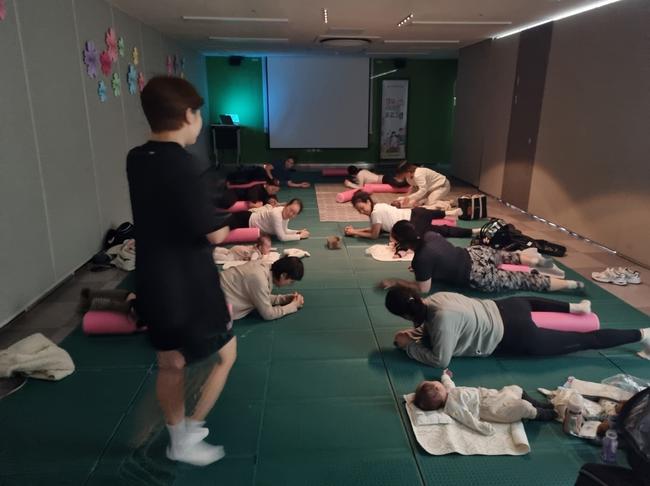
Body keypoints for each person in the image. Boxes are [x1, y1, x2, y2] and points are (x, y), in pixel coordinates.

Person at [127, 76, 235, 466]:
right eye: (199, 114)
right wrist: (226, 221)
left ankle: (178, 438)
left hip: (152, 279)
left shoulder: (137, 158)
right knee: (226, 355)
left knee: (170, 362)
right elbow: (213, 234)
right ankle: (190, 429)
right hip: (188, 285)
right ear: (189, 115)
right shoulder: (186, 166)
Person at [386, 287, 650, 368]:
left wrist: (410, 347)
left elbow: (440, 360)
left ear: (405, 314)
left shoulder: (442, 320)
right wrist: (415, 334)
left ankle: (644, 335)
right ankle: (576, 308)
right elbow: (433, 324)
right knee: (528, 300)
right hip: (507, 307)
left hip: (515, 335)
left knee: (585, 340)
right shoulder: (437, 297)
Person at [380, 220, 578, 294]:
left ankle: (571, 285)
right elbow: (440, 256)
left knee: (523, 280)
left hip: (476, 274)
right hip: (477, 253)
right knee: (512, 257)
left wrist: (397, 281)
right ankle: (539, 261)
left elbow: (423, 289)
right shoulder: (430, 235)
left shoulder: (421, 260)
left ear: (402, 242)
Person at [413, 369, 557, 434]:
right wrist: (483, 427)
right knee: (522, 407)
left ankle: (540, 404)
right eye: (437, 383)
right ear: (438, 390)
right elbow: (467, 419)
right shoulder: (452, 407)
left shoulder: (449, 391)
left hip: (491, 396)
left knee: (515, 389)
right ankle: (544, 414)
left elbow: (449, 384)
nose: (439, 383)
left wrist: (445, 376)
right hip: (490, 409)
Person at [344, 191, 467, 240]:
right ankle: (449, 213)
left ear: (367, 202)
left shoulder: (375, 213)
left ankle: (471, 231)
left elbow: (374, 235)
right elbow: (376, 229)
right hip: (415, 212)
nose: (362, 212)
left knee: (442, 230)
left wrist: (355, 232)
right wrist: (356, 230)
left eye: (362, 208)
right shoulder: (378, 206)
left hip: (412, 224)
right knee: (432, 214)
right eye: (359, 211)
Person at [219, 256, 305, 320]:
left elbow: (260, 297)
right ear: (283, 275)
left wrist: (284, 299)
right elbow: (268, 314)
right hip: (215, 306)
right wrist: (293, 306)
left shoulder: (263, 266)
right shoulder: (259, 279)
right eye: (291, 281)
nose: (290, 284)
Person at [224, 198, 309, 241]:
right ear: (286, 205)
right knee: (220, 227)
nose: (290, 214)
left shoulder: (286, 216)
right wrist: (300, 236)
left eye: (294, 213)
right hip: (244, 219)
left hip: (247, 222)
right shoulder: (276, 214)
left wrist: (297, 232)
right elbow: (282, 237)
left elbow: (284, 230)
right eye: (290, 210)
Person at [215, 181, 281, 210]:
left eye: (275, 191)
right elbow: (251, 205)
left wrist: (272, 200)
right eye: (273, 189)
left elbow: (274, 199)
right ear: (266, 185)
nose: (273, 192)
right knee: (226, 202)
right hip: (236, 192)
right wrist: (258, 205)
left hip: (241, 196)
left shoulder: (270, 193)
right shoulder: (256, 188)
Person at [344, 166, 409, 190]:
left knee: (399, 185)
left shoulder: (359, 175)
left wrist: (350, 184)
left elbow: (360, 187)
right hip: (384, 178)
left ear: (352, 174)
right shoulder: (362, 171)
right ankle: (408, 181)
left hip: (384, 179)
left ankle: (409, 181)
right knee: (399, 183)